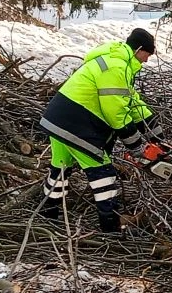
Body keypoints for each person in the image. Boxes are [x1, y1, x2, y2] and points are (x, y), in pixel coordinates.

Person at [38, 28, 159, 233]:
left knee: (60, 169)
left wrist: (156, 134)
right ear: (139, 49)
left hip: (58, 119)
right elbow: (115, 111)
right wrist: (137, 145)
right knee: (102, 172)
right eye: (147, 55)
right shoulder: (116, 67)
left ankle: (48, 217)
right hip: (76, 123)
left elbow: (132, 102)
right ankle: (110, 226)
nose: (146, 61)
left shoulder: (115, 61)